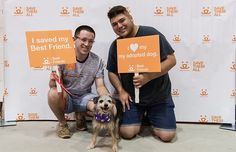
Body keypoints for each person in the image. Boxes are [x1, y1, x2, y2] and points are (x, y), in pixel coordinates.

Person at [106, 5, 177, 142]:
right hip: (133, 100)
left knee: (167, 136)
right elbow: (112, 72)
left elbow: (171, 60)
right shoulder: (116, 45)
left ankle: (151, 115)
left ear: (130, 18)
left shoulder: (151, 33)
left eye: (122, 20)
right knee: (127, 133)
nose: (119, 26)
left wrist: (148, 77)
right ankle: (140, 116)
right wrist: (120, 91)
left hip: (159, 97)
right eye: (114, 24)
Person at [48, 25, 110, 139]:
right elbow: (53, 86)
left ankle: (81, 116)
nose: (87, 44)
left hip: (85, 97)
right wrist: (53, 80)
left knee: (99, 107)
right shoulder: (61, 57)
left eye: (91, 41)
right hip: (67, 98)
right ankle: (62, 124)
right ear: (74, 39)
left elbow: (100, 86)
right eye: (84, 40)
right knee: (52, 93)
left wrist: (106, 98)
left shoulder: (97, 61)